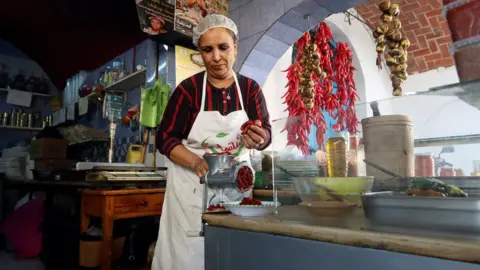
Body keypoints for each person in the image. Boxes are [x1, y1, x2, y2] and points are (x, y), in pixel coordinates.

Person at [152, 14, 271, 270]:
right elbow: (164, 138)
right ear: (200, 53)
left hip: (236, 192)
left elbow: (266, 133)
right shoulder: (188, 91)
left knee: (231, 255)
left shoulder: (250, 90)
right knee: (188, 258)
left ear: (235, 48)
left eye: (223, 47)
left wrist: (259, 139)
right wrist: (195, 161)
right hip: (191, 191)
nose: (216, 57)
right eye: (208, 49)